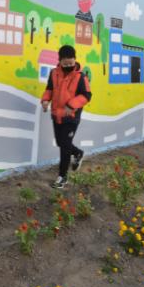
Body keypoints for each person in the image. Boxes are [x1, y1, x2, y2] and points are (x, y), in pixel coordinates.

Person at [41, 45, 92, 189]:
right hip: (56, 115)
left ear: (75, 59)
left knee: (64, 146)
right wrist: (45, 100)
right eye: (65, 63)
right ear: (60, 61)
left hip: (71, 117)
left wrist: (71, 105)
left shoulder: (81, 77)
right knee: (60, 142)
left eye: (71, 63)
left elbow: (87, 95)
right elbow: (49, 89)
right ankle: (78, 153)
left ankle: (62, 176)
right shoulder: (54, 73)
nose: (69, 66)